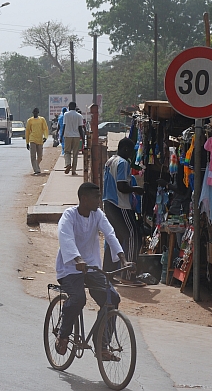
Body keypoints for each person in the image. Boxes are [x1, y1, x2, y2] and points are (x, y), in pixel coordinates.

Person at [54, 182, 129, 360]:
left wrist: (123, 258)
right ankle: (63, 335)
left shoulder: (97, 215)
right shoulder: (69, 216)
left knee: (112, 299)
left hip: (92, 267)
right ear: (84, 199)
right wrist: (77, 259)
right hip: (70, 267)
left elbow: (110, 234)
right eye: (96, 197)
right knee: (79, 298)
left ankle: (101, 344)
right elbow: (66, 238)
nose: (99, 200)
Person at [102, 137, 144, 285]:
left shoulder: (110, 160)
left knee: (114, 239)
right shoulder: (123, 163)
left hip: (108, 203)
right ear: (126, 149)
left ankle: (108, 274)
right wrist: (136, 189)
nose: (132, 155)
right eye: (131, 152)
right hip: (120, 205)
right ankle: (129, 274)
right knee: (133, 235)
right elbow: (122, 186)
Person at [62, 102, 84, 176]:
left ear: (69, 107)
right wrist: (83, 139)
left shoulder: (66, 114)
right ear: (75, 107)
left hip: (68, 135)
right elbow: (80, 128)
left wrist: (62, 135)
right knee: (75, 154)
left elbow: (64, 125)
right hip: (76, 136)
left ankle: (68, 163)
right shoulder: (79, 116)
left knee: (67, 152)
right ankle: (73, 171)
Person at [26, 107, 49, 175]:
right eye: (34, 112)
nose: (35, 113)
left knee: (40, 156)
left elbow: (45, 129)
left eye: (36, 112)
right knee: (33, 156)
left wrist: (45, 137)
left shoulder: (42, 119)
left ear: (38, 113)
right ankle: (36, 170)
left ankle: (36, 165)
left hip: (40, 140)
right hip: (32, 139)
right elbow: (27, 131)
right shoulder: (30, 120)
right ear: (33, 113)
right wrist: (27, 142)